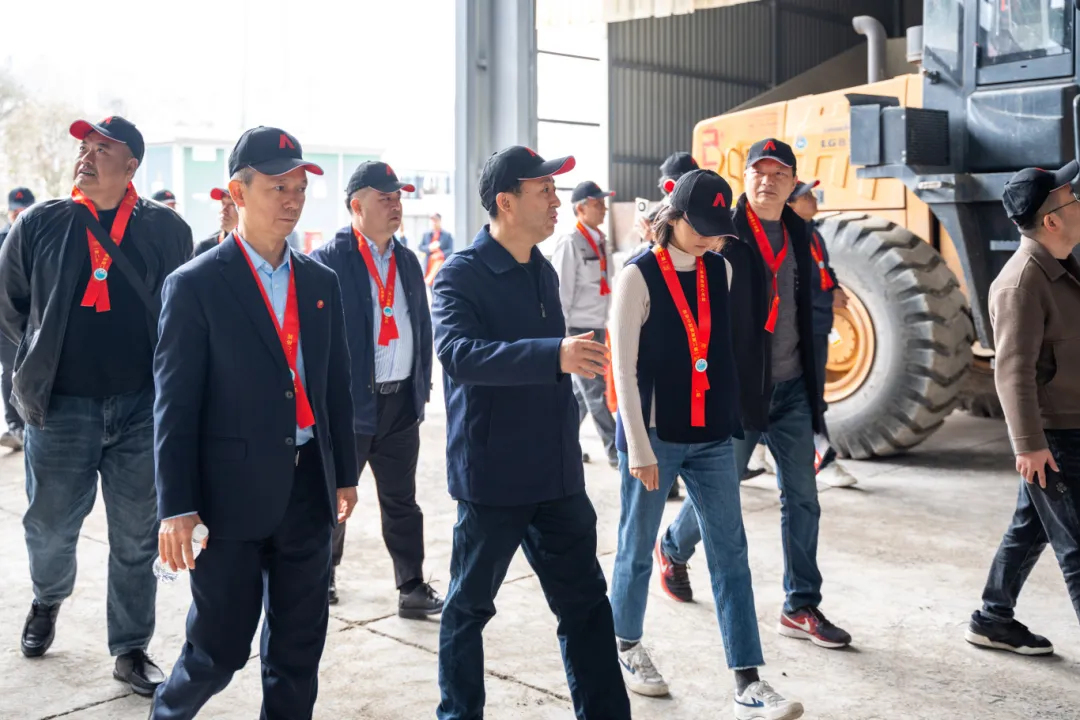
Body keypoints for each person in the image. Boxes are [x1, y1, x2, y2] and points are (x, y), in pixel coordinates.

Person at [150, 126, 358, 719]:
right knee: (218, 650)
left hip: (307, 491)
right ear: (237, 193)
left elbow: (334, 387)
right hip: (229, 498)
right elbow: (174, 406)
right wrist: (176, 506)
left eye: (299, 188)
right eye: (277, 188)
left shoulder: (319, 283)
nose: (292, 200)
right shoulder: (195, 285)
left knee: (298, 650)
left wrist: (343, 473)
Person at [432, 145, 630, 720]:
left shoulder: (541, 268)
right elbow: (458, 354)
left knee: (587, 605)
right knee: (469, 608)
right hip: (494, 476)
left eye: (555, 190)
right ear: (506, 202)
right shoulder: (460, 275)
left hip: (556, 475)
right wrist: (553, 355)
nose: (556, 201)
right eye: (544, 191)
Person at [0, 116, 192, 693]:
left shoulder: (167, 230)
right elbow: (8, 308)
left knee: (136, 536)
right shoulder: (40, 223)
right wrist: (33, 366)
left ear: (131, 166)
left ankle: (130, 647)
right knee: (49, 527)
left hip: (141, 410)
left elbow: (182, 314)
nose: (86, 155)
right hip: (60, 410)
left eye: (101, 149)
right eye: (84, 147)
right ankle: (47, 598)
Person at [609, 169, 804, 718]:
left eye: (717, 229)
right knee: (635, 545)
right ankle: (624, 645)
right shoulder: (637, 276)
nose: (709, 238)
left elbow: (720, 349)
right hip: (656, 435)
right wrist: (639, 447)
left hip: (712, 435)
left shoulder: (720, 269)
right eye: (699, 226)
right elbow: (623, 370)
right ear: (673, 216)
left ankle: (748, 681)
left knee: (730, 553)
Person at [658, 139, 852, 649]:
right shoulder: (722, 232)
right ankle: (672, 548)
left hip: (793, 387)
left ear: (793, 183)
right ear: (745, 177)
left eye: (779, 173)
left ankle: (800, 605)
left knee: (803, 497)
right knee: (719, 493)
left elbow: (809, 305)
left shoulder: (801, 232)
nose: (768, 181)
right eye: (758, 172)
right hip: (738, 391)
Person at [310, 161, 442, 614]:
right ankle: (322, 576)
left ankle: (411, 585)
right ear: (356, 205)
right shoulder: (329, 260)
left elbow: (420, 326)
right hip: (350, 406)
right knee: (335, 496)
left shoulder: (407, 260)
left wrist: (420, 388)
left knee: (402, 501)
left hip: (400, 402)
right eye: (385, 198)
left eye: (398, 198)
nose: (395, 206)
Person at [965, 162, 1080, 655]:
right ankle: (992, 617)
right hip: (1055, 436)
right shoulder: (1021, 283)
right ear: (1051, 220)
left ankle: (992, 618)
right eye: (1073, 199)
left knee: (1030, 527)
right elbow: (1012, 372)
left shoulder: (1064, 267)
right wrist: (1030, 445)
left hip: (1070, 425)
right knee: (1076, 546)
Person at [785, 180, 857, 488]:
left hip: (820, 324)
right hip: (804, 327)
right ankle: (823, 459)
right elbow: (795, 287)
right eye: (806, 196)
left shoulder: (813, 233)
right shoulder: (788, 238)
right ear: (790, 205)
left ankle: (759, 450)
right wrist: (828, 299)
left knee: (812, 391)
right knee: (809, 395)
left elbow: (824, 269)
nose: (813, 199)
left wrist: (835, 288)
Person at [552, 180, 619, 469]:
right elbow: (562, 293)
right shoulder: (571, 243)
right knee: (596, 393)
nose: (604, 208)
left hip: (598, 325)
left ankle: (557, 444)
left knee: (581, 396)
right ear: (580, 209)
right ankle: (617, 452)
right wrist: (564, 335)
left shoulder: (601, 241)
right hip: (577, 329)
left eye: (603, 203)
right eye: (597, 203)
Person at [0, 186, 35, 451]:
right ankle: (16, 426)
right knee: (11, 369)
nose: (18, 214)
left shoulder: (41, 236)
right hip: (5, 317)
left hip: (36, 316)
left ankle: (32, 424)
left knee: (33, 367)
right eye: (15, 210)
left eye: (24, 209)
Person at [193, 187, 238, 256]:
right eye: (223, 203)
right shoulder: (204, 248)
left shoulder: (254, 246)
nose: (224, 210)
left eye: (232, 204)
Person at [422, 212, 453, 285]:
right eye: (432, 220)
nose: (434, 222)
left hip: (440, 264)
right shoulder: (426, 234)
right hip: (429, 264)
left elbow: (450, 250)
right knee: (430, 284)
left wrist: (441, 254)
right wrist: (429, 248)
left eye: (435, 220)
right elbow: (421, 247)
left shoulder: (447, 235)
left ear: (440, 221)